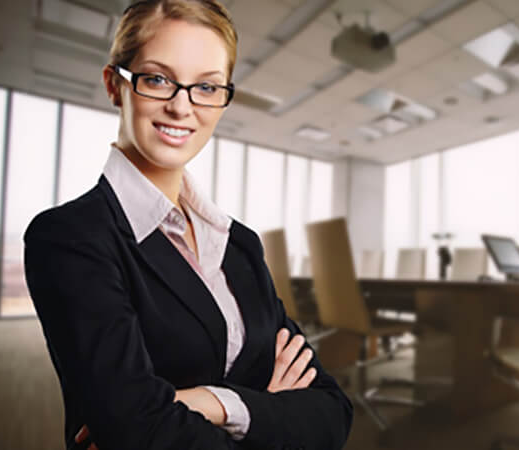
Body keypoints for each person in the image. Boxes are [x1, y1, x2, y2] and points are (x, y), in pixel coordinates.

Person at [22, 1, 352, 449]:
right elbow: (137, 431)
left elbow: (333, 412)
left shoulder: (240, 244)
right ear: (115, 86)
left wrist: (209, 403)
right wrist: (267, 411)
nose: (182, 107)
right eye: (157, 79)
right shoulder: (70, 238)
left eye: (207, 87)